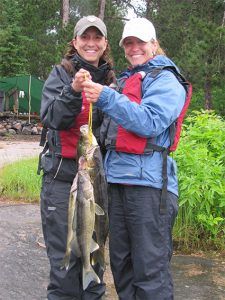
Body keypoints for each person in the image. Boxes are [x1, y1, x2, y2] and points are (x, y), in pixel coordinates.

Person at [82, 18, 191, 300]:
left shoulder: (167, 80)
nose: (134, 48)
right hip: (116, 184)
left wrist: (105, 96)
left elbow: (149, 122)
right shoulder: (126, 81)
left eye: (140, 42)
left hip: (149, 188)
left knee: (150, 272)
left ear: (154, 45)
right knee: (123, 268)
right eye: (128, 43)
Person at [38, 15, 115, 300]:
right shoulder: (61, 74)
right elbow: (51, 118)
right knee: (65, 265)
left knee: (95, 261)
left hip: (95, 179)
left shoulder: (110, 80)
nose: (91, 43)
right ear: (75, 41)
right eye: (85, 37)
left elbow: (112, 132)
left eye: (97, 38)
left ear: (105, 43)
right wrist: (73, 90)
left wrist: (109, 95)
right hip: (62, 178)